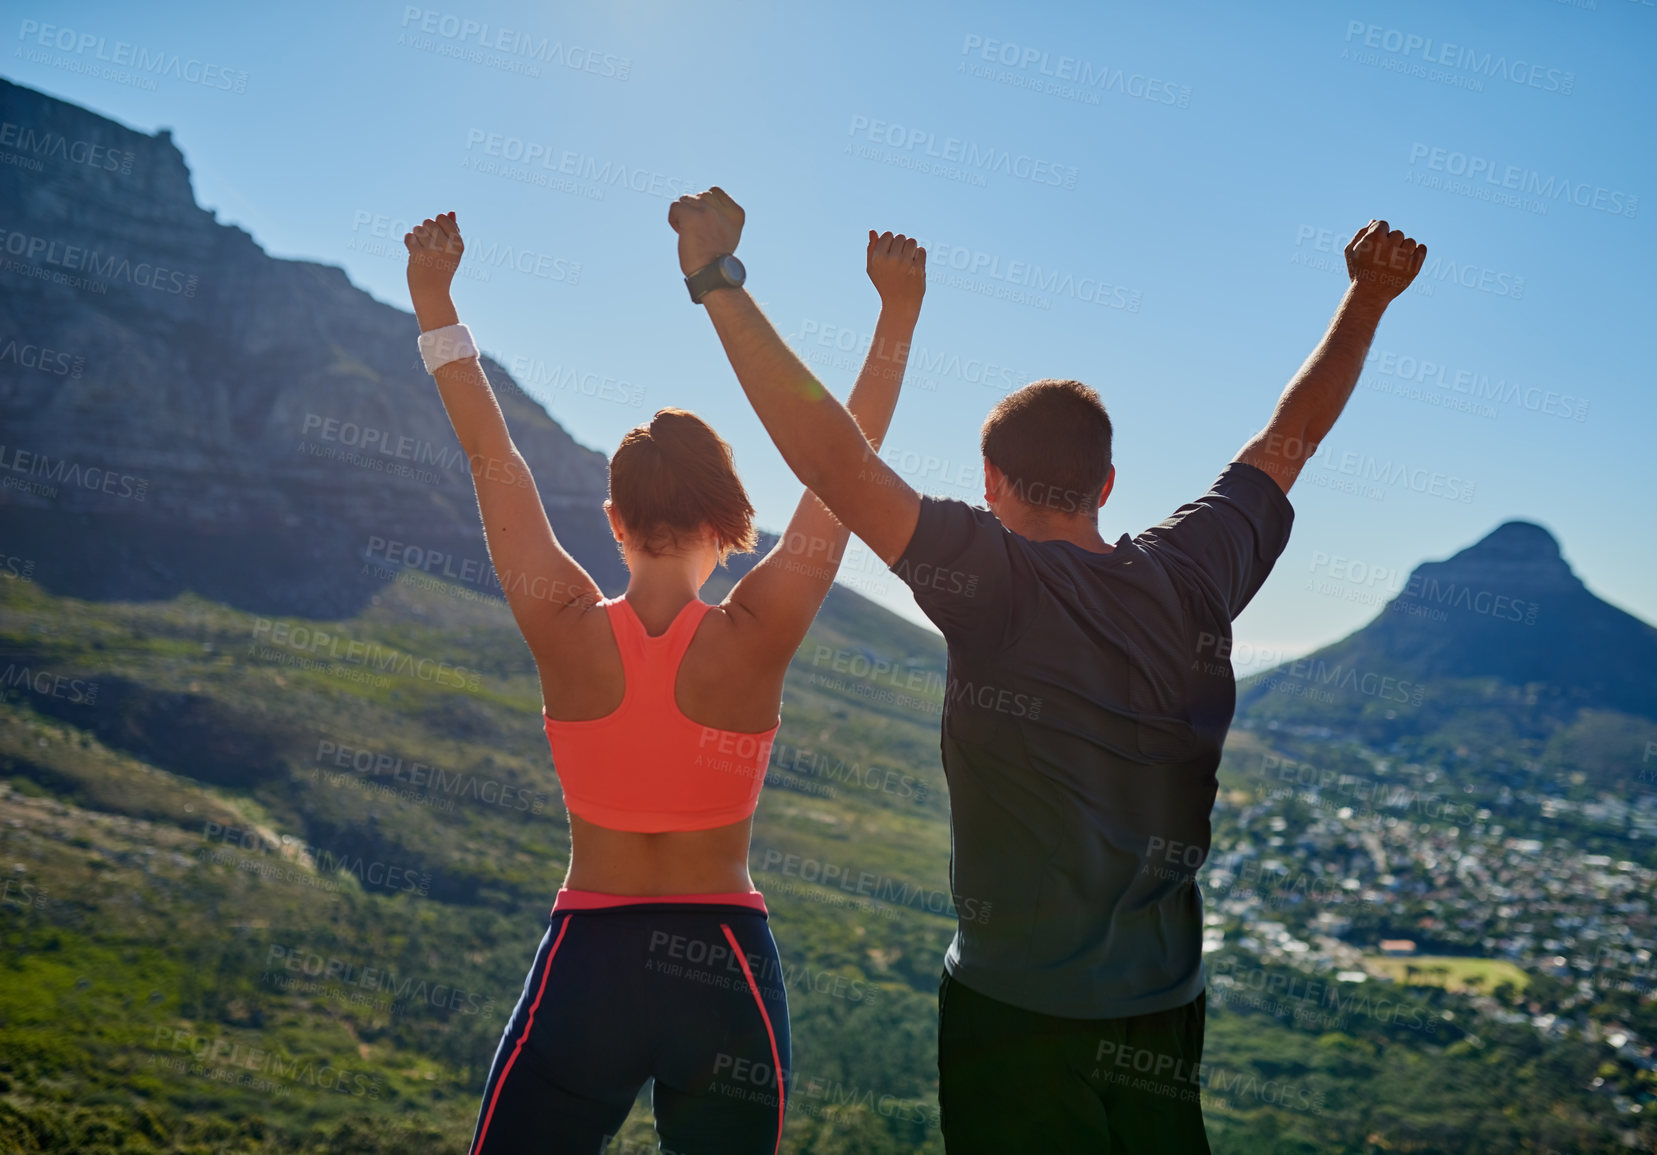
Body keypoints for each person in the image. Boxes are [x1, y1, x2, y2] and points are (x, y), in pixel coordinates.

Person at [670, 188, 1426, 1152]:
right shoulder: (1194, 573)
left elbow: (832, 458)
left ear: (989, 485)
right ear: (1106, 483)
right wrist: (1367, 297)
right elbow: (1290, 440)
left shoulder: (991, 582)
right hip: (1165, 1010)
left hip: (1013, 1015)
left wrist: (716, 281)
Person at [400, 210, 927, 1154]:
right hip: (722, 965)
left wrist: (436, 298)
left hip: (585, 963)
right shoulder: (757, 634)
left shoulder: (561, 625)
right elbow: (844, 468)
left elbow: (494, 459)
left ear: (612, 518)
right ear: (732, 523)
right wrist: (896, 315)